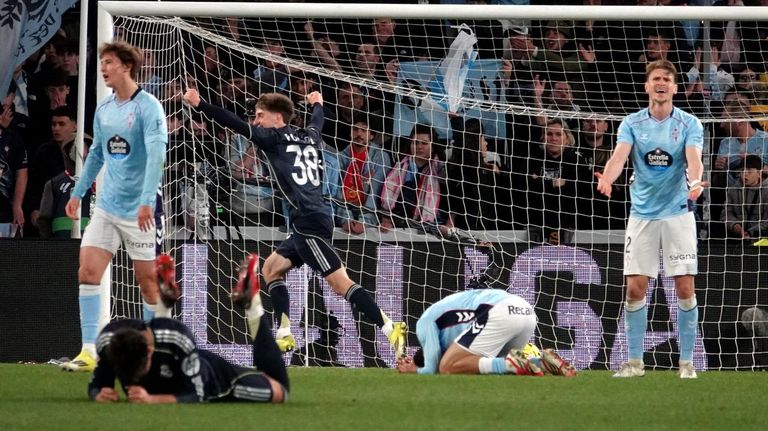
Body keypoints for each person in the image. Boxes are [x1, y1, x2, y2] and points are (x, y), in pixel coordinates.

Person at [182, 88, 407, 356]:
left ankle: (389, 326)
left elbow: (233, 122)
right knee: (271, 269)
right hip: (311, 218)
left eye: (260, 115)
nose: (256, 121)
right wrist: (317, 104)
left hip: (308, 221)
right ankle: (284, 333)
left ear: (278, 117)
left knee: (339, 283)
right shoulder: (308, 136)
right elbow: (317, 122)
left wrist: (200, 104)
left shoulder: (273, 138)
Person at [60, 41, 175, 372]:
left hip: (141, 209)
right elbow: (97, 152)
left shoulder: (149, 107)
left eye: (109, 62)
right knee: (87, 271)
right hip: (107, 207)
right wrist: (78, 192)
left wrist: (146, 201)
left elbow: (156, 157)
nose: (103, 68)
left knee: (148, 283)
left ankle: (153, 353)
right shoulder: (104, 108)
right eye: (102, 62)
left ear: (127, 66)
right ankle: (88, 351)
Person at [596, 59, 705, 379]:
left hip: (677, 214)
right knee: (635, 288)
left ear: (675, 88)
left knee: (684, 287)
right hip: (642, 215)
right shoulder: (632, 123)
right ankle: (634, 363)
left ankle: (687, 364)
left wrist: (695, 182)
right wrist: (608, 178)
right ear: (647, 86)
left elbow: (694, 159)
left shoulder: (689, 123)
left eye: (667, 79)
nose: (661, 83)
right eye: (656, 78)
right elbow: (619, 155)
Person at [88, 264, 288, 404]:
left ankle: (252, 304)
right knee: (163, 342)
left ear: (149, 351)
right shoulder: (107, 342)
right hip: (171, 365)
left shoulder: (178, 338)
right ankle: (164, 303)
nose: (134, 380)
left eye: (141, 372)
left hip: (214, 378)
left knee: (281, 391)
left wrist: (152, 399)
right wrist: (100, 393)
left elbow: (197, 394)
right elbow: (96, 384)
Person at [395, 288, 576, 377]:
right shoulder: (447, 322)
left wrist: (414, 370)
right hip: (525, 310)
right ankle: (543, 363)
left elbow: (433, 365)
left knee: (447, 366)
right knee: (490, 366)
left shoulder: (424, 323)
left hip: (498, 311)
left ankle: (510, 363)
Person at [721, 155, 768, 239]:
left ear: (759, 173)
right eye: (742, 170)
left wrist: (751, 232)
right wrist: (735, 226)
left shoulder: (766, 190)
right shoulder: (733, 189)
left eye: (749, 170)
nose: (744, 174)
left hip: (761, 236)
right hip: (736, 235)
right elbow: (726, 213)